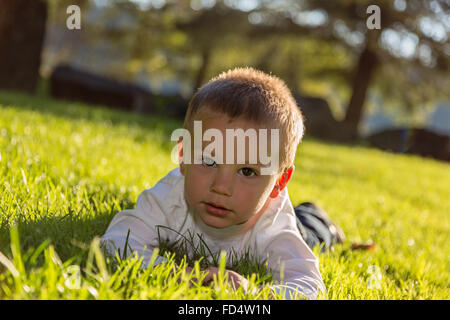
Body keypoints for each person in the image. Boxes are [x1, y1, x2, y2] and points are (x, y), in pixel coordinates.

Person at [100, 67, 343, 299]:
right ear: (183, 156)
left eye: (247, 171)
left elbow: (310, 286)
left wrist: (253, 292)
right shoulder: (170, 195)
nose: (221, 187)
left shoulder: (275, 227)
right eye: (208, 161)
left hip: (296, 225)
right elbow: (117, 241)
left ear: (279, 181)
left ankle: (318, 219)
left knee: (313, 235)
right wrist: (171, 273)